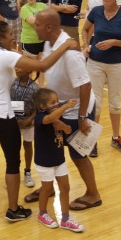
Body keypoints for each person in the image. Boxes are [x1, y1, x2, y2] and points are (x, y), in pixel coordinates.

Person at [0, 20, 78, 223]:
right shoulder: (6, 56)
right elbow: (43, 65)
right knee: (12, 162)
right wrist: (65, 45)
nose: (13, 37)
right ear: (1, 38)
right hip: (3, 116)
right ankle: (13, 209)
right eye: (10, 34)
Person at [25, 9, 102, 211]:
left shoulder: (71, 54)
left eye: (38, 25)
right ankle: (48, 187)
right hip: (59, 108)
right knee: (51, 147)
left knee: (78, 155)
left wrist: (82, 117)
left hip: (78, 110)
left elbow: (85, 86)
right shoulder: (50, 43)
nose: (35, 27)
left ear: (49, 27)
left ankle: (93, 194)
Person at [82, 0, 121, 154]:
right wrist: (86, 45)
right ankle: (92, 141)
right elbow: (85, 29)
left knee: (115, 103)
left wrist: (115, 42)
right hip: (95, 63)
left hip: (117, 64)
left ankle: (116, 137)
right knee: (95, 103)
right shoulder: (96, 11)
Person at [34, 88, 84, 232]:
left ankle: (66, 218)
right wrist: (65, 106)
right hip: (44, 162)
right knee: (47, 188)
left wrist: (63, 126)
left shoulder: (58, 116)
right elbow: (49, 119)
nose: (56, 104)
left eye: (57, 101)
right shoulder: (40, 117)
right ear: (42, 106)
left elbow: (68, 131)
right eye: (53, 102)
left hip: (59, 159)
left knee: (65, 187)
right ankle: (42, 213)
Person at [10, 68, 39, 188]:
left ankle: (27, 172)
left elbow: (39, 107)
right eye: (16, 66)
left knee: (27, 145)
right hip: (13, 122)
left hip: (29, 123)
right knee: (13, 147)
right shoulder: (12, 83)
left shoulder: (35, 88)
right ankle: (13, 173)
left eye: (20, 68)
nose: (16, 69)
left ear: (29, 71)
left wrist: (29, 119)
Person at [20, 0, 47, 86]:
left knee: (41, 66)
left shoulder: (42, 6)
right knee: (29, 68)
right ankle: (28, 88)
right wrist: (46, 19)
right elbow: (32, 21)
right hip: (29, 41)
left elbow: (50, 15)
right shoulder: (24, 8)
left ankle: (41, 87)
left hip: (42, 40)